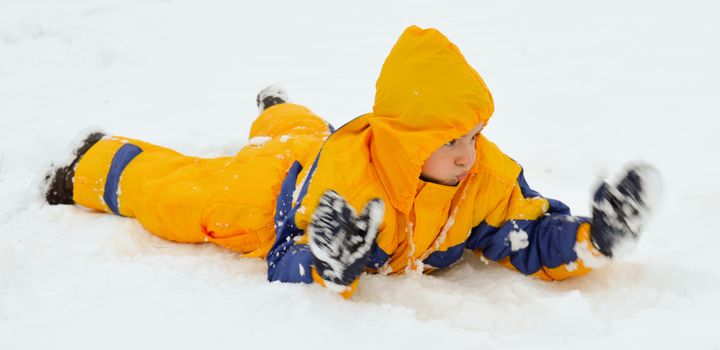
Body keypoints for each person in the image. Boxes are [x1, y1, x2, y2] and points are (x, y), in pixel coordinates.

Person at [44, 25, 660, 298]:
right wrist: (326, 260)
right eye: (447, 143)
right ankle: (89, 162)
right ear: (404, 143)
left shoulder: (486, 177)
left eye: (471, 134)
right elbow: (286, 259)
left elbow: (527, 233)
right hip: (276, 190)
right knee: (182, 196)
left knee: (304, 129)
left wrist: (591, 238)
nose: (466, 153)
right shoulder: (350, 180)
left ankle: (279, 108)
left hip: (326, 142)